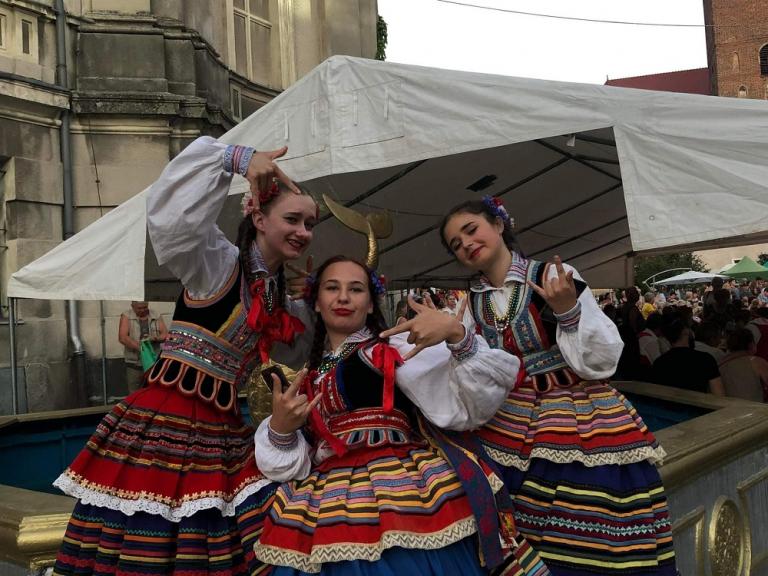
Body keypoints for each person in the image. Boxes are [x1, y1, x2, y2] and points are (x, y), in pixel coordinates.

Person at [53, 136, 317, 576]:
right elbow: (171, 218)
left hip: (226, 428)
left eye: (311, 224)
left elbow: (304, 345)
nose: (304, 233)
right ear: (256, 214)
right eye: (293, 219)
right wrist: (233, 158)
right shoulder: (216, 262)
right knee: (151, 540)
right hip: (167, 420)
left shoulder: (275, 294)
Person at [252, 256, 548, 575]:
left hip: (399, 484)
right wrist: (282, 431)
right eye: (332, 288)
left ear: (369, 305)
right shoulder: (312, 375)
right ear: (317, 303)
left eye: (355, 289)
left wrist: (458, 336)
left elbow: (468, 404)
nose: (342, 297)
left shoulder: (393, 347)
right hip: (327, 494)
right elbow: (294, 460)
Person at [430, 197, 675, 575]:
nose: (465, 244)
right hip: (506, 418)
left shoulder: (552, 276)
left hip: (576, 410)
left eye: (470, 230)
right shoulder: (468, 304)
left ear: (498, 225)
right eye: (455, 245)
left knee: (590, 516)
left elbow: (603, 360)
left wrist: (568, 311)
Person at [652, 315, 724, 396]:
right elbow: (719, 394)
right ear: (685, 332)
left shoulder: (659, 363)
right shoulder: (706, 360)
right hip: (698, 406)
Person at [118, 300, 168, 393]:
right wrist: (142, 349)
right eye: (139, 308)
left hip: (153, 362)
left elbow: (165, 334)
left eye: (145, 307)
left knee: (154, 390)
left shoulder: (156, 315)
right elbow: (123, 337)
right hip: (134, 363)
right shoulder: (126, 315)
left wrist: (154, 338)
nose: (143, 310)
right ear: (132, 306)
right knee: (134, 392)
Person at [718, 329, 768, 402]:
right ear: (751, 344)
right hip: (753, 409)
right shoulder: (757, 362)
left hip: (726, 409)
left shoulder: (720, 363)